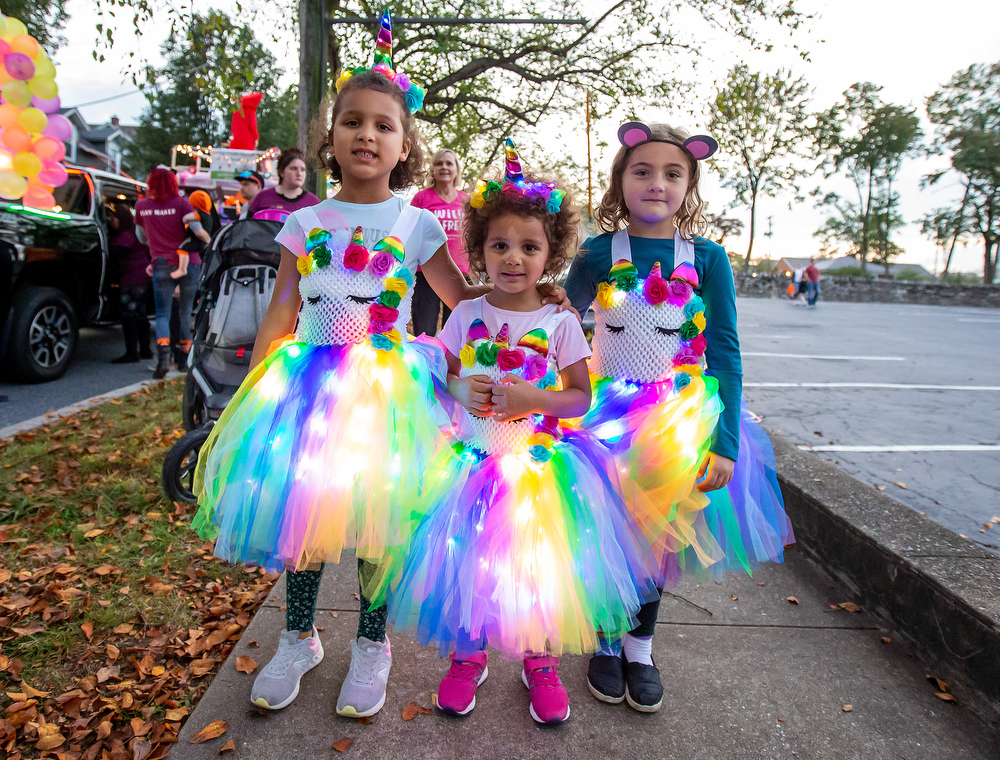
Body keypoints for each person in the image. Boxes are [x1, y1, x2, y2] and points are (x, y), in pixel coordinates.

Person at [191, 13, 570, 721]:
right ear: (330, 138)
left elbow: (463, 300)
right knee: (304, 517)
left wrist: (530, 295)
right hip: (306, 387)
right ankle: (299, 636)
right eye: (352, 122)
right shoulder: (303, 223)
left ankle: (372, 643)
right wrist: (253, 385)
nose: (367, 135)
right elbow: (281, 307)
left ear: (404, 146)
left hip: (388, 389)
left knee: (375, 520)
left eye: (384, 126)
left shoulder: (417, 223)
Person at [379, 140, 661, 726]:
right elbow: (446, 381)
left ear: (551, 253)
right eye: (499, 245)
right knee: (469, 563)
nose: (513, 258)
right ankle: (468, 655)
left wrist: (536, 398)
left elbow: (580, 397)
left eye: (529, 247)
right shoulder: (465, 316)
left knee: (536, 567)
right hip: (472, 463)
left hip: (536, 466)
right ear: (479, 250)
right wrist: (462, 392)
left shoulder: (559, 321)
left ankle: (540, 661)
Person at [565, 121, 793, 713]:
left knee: (658, 535)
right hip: (605, 416)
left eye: (672, 174)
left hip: (678, 421)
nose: (656, 184)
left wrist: (724, 442)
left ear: (689, 184)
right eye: (642, 171)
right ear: (621, 181)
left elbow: (725, 350)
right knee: (610, 527)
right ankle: (606, 639)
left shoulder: (709, 259)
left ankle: (640, 646)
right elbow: (560, 325)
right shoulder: (597, 252)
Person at [135, 167, 211, 379]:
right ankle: (185, 359)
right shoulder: (181, 204)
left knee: (162, 314)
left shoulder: (142, 206)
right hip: (190, 263)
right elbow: (197, 231)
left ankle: (163, 358)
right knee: (185, 311)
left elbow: (141, 237)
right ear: (173, 183)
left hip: (161, 264)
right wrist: (209, 240)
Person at [410, 148, 469, 335]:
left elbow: (475, 237)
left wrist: (475, 267)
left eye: (449, 163)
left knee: (456, 335)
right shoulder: (421, 198)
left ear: (457, 170)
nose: (444, 167)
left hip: (460, 276)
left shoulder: (467, 201)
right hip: (427, 274)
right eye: (439, 163)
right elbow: (410, 233)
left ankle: (451, 366)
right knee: (424, 332)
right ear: (433, 169)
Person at [107, 202, 152, 364]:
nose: (112, 220)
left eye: (114, 217)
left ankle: (132, 353)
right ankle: (145, 350)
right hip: (142, 276)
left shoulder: (126, 236)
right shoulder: (137, 232)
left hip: (132, 279)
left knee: (128, 316)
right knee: (140, 315)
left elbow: (117, 255)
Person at [243, 148, 320, 217]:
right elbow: (248, 229)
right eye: (294, 168)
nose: (299, 173)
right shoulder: (262, 198)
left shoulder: (314, 203)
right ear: (281, 172)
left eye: (302, 170)